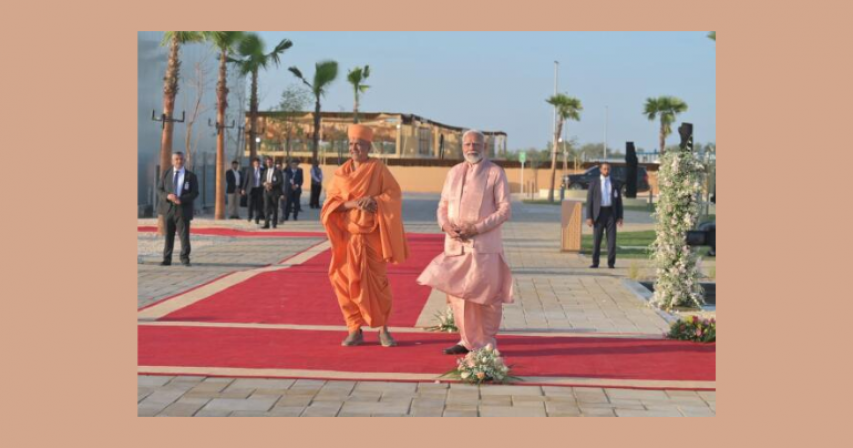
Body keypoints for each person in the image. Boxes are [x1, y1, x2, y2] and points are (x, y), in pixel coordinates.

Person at [418, 130, 513, 355]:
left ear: (484, 147)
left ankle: (487, 341)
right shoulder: (454, 172)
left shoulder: (495, 172)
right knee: (459, 296)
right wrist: (446, 226)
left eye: (476, 144)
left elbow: (505, 209)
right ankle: (466, 340)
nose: (472, 147)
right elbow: (442, 205)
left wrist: (476, 228)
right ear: (462, 147)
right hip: (455, 245)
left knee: (487, 297)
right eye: (467, 144)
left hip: (484, 247)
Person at [321, 124, 409, 347]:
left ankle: (383, 329)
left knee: (378, 284)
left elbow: (394, 194)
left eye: (359, 144)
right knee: (344, 282)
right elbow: (331, 205)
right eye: (351, 144)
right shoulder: (340, 174)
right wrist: (354, 203)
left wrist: (375, 201)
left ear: (368, 146)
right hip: (348, 238)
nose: (354, 148)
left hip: (372, 238)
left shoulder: (379, 169)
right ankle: (354, 329)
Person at [157, 152, 199, 267]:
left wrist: (182, 199)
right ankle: (167, 259)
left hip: (183, 209)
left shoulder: (191, 176)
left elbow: (195, 193)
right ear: (172, 161)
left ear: (184, 160)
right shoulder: (166, 174)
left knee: (184, 236)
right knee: (168, 236)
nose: (179, 161)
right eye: (176, 159)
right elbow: (159, 190)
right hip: (168, 210)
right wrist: (167, 196)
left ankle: (185, 258)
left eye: (181, 159)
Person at [585, 162, 623, 268]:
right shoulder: (594, 183)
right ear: (600, 170)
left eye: (608, 169)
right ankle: (595, 262)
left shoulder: (614, 183)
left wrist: (620, 217)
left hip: (611, 213)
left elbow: (619, 201)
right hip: (599, 214)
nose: (606, 171)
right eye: (604, 169)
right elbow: (589, 202)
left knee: (611, 240)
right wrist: (589, 217)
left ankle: (611, 263)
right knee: (597, 239)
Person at [241, 157, 265, 225]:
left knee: (258, 205)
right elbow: (246, 180)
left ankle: (257, 218)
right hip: (251, 189)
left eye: (258, 163)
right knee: (250, 204)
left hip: (259, 189)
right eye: (256, 163)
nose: (257, 164)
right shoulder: (249, 170)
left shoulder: (262, 170)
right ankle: (249, 216)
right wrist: (243, 189)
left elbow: (264, 179)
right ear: (253, 163)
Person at [262, 157, 282, 229]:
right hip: (266, 192)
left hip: (274, 192)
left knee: (274, 208)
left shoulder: (277, 171)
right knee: (266, 208)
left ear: (272, 163)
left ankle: (274, 223)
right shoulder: (265, 171)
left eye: (270, 162)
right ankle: (266, 224)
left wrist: (271, 184)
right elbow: (263, 180)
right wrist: (265, 184)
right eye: (267, 162)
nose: (268, 163)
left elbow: (280, 181)